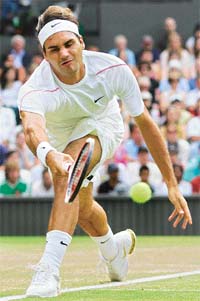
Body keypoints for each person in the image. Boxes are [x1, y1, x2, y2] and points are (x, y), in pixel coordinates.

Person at [17, 5, 192, 298]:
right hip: (58, 143)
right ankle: (114, 249)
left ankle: (49, 270)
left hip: (103, 125)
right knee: (82, 208)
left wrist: (171, 184)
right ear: (44, 55)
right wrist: (49, 154)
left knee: (70, 171)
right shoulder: (34, 88)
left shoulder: (113, 70)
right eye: (54, 49)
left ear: (81, 42)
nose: (64, 54)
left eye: (69, 44)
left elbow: (146, 124)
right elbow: (33, 130)